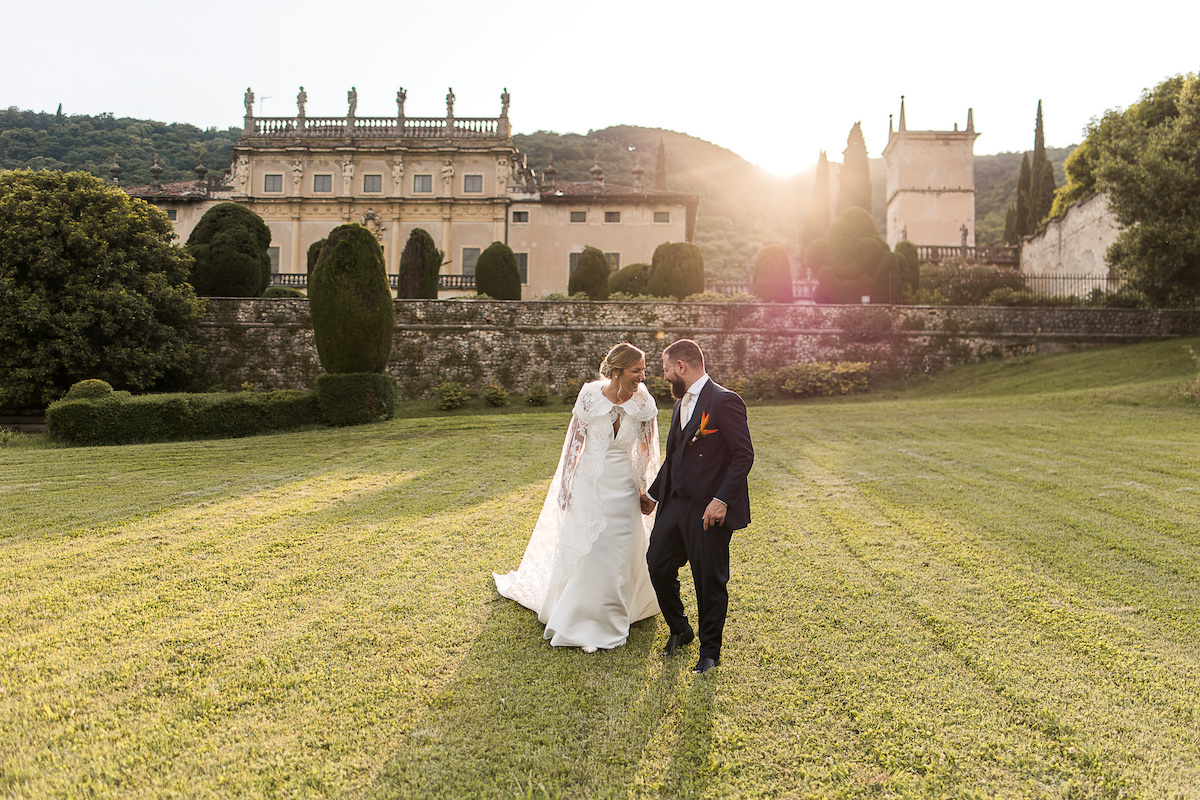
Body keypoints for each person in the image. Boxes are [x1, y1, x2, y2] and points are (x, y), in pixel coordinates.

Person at [494, 343, 661, 652]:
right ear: (617, 371)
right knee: (591, 552)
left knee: (619, 553)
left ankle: (612, 617)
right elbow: (573, 446)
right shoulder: (589, 397)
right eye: (636, 369)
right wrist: (567, 488)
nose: (642, 375)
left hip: (624, 491)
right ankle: (582, 617)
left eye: (643, 369)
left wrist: (645, 489)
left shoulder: (644, 403)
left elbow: (646, 453)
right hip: (590, 487)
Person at [641, 339, 754, 674]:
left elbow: (743, 455)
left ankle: (709, 652)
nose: (665, 377)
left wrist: (721, 500)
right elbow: (675, 454)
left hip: (708, 508)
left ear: (681, 367)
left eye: (665, 370)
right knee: (657, 564)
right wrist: (653, 494)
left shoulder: (724, 401)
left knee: (709, 579)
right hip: (675, 504)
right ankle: (680, 628)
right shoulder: (679, 406)